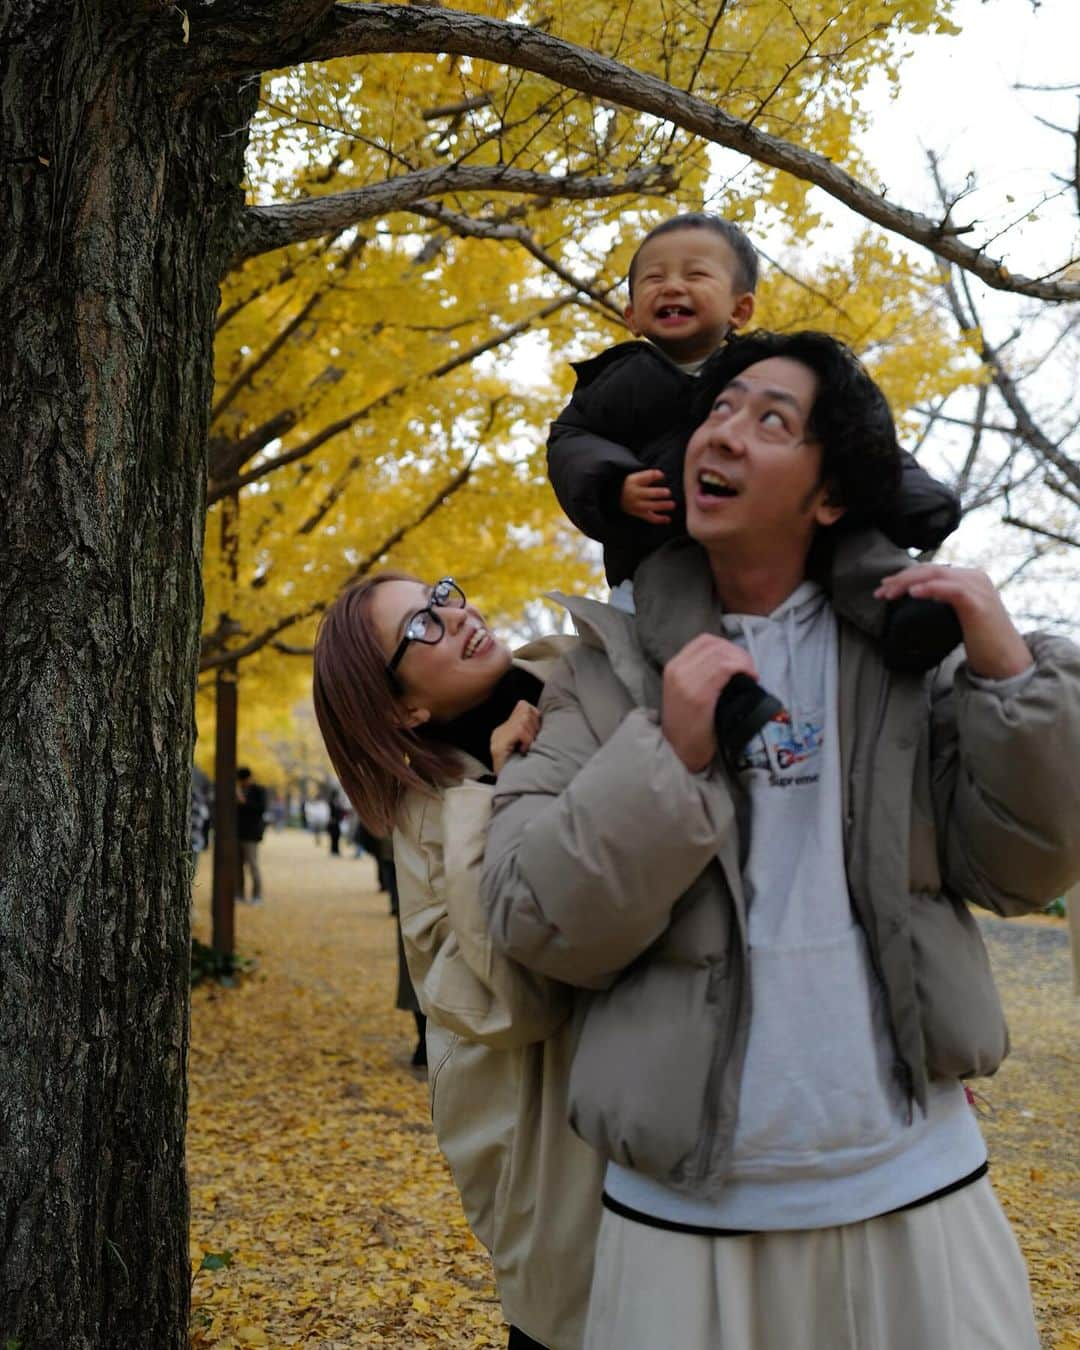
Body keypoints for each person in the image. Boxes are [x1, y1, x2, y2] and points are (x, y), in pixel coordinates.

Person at [483, 330, 1080, 1350]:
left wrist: (1012, 680)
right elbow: (534, 922)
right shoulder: (599, 670)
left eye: (773, 419)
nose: (725, 431)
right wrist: (666, 756)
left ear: (832, 494)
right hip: (682, 1215)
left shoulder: (917, 654)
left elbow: (1024, 871)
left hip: (916, 1183)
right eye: (717, 411)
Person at [311, 574, 604, 1350]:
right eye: (422, 626)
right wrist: (508, 792)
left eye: (444, 594)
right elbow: (517, 997)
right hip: (564, 1185)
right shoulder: (436, 818)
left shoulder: (590, 676)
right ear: (402, 707)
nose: (457, 614)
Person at [547, 212, 962, 674]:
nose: (670, 287)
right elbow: (572, 442)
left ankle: (907, 615)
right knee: (669, 606)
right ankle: (721, 692)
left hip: (777, 529)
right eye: (653, 279)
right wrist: (613, 485)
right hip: (666, 539)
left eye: (696, 274)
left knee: (852, 541)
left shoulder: (766, 372)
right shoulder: (618, 382)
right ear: (631, 316)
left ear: (739, 310)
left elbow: (846, 432)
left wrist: (913, 496)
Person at [235, 766, 267, 905]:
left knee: (253, 865)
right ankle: (239, 894)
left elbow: (260, 809)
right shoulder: (239, 790)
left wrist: (244, 802)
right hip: (239, 832)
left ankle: (257, 895)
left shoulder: (259, 790)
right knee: (238, 866)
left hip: (251, 834)